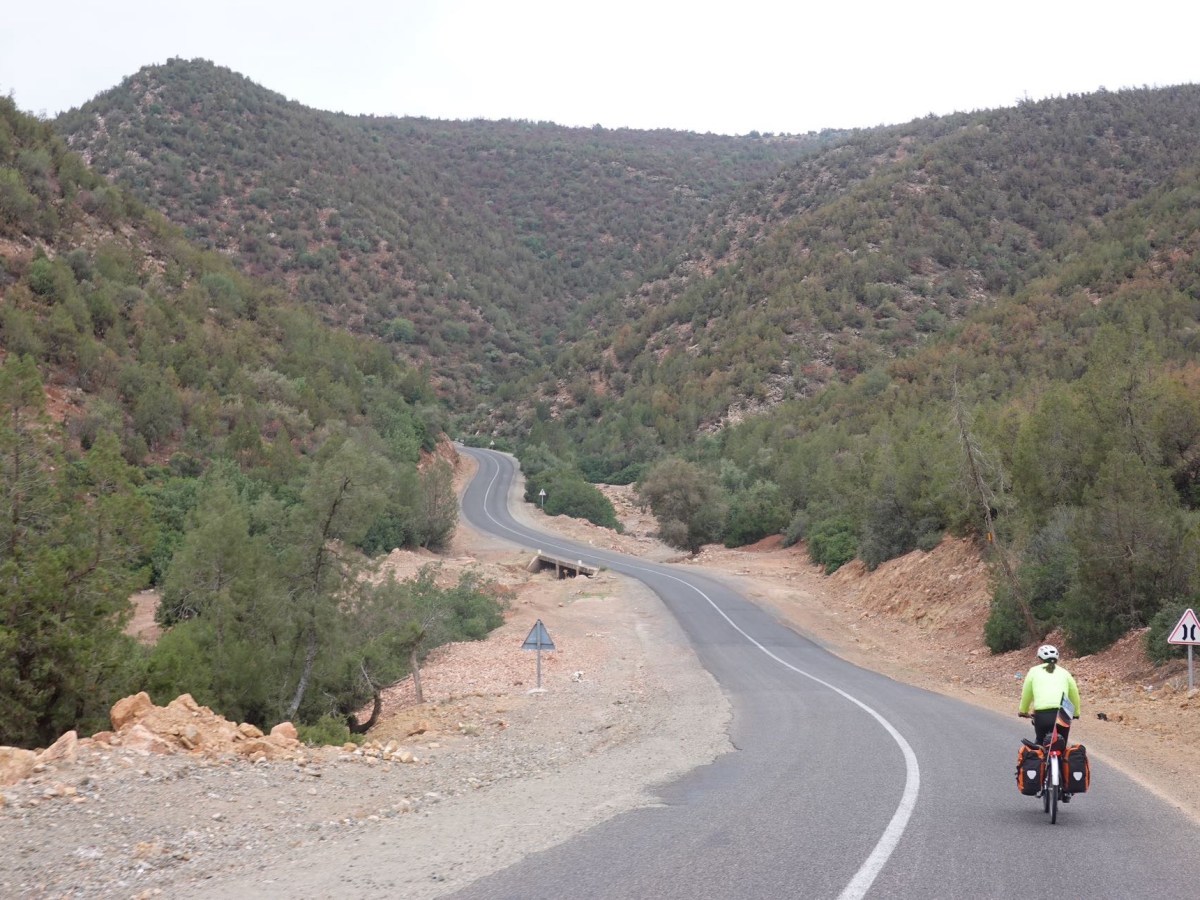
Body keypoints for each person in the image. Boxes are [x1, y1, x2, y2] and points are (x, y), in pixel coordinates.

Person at [1018, 644, 1082, 798]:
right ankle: (1065, 787)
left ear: (1039, 659)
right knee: (1061, 745)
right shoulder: (1064, 673)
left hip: (1042, 714)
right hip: (1063, 714)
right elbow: (1074, 693)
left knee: (1040, 744)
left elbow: (1027, 693)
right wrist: (1076, 713)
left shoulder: (1034, 671)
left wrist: (1023, 710)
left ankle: (1039, 780)